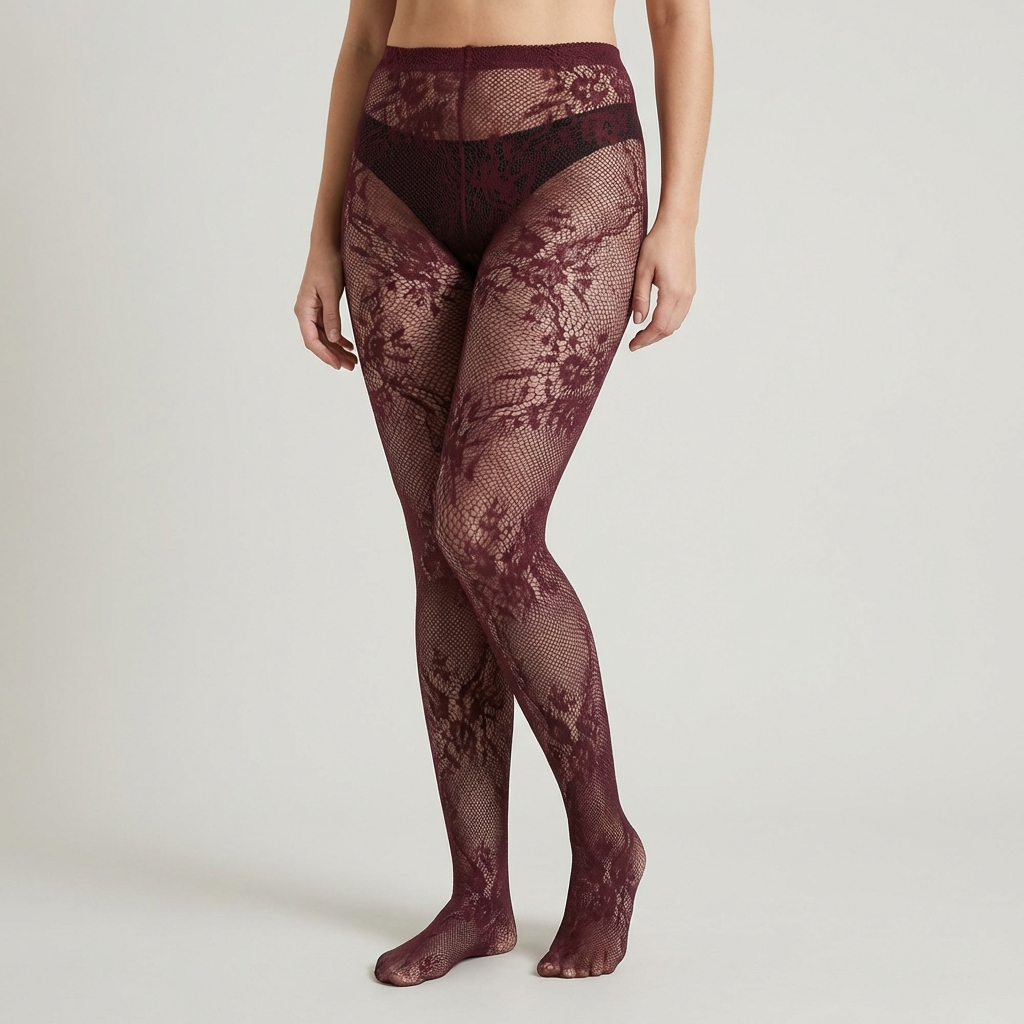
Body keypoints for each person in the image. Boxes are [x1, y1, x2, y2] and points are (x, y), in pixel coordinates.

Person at [294, 0, 713, 986]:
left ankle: (605, 843)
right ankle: (477, 896)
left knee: (484, 525)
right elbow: (365, 35)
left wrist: (681, 217)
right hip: (394, 168)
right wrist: (319, 240)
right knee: (439, 550)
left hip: (569, 153)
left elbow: (679, 17)